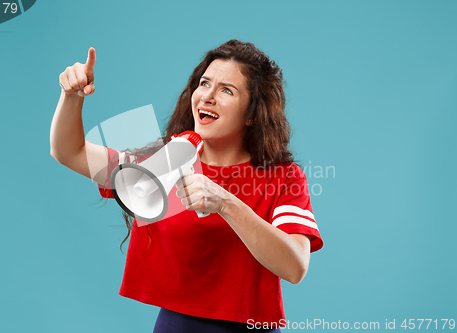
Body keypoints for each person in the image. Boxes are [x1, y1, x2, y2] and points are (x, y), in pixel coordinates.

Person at [50, 40, 323, 332]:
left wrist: (226, 203)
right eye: (204, 83)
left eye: (226, 90)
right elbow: (70, 152)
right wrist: (71, 96)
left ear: (253, 114)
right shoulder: (163, 161)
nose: (207, 96)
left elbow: (295, 267)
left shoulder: (283, 176)